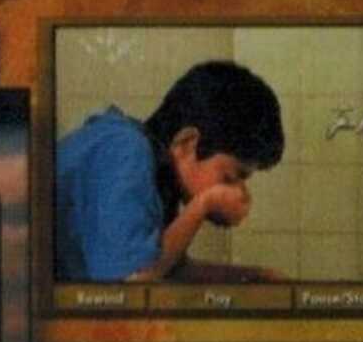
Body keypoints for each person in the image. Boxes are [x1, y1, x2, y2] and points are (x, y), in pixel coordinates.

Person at [54, 61, 286, 284]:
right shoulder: (126, 150)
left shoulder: (158, 170)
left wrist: (255, 276)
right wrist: (204, 203)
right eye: (230, 177)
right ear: (187, 143)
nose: (239, 191)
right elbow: (132, 284)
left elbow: (169, 268)